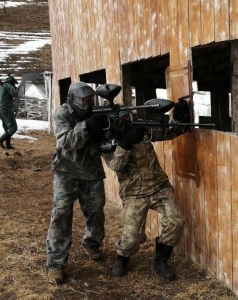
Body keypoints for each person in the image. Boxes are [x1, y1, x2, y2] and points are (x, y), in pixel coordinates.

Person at [102, 100, 190, 281]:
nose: (126, 120)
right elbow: (115, 165)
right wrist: (125, 143)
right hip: (134, 192)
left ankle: (161, 260)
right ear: (112, 120)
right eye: (121, 118)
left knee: (176, 222)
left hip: (159, 186)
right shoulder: (107, 139)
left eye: (128, 116)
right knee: (132, 236)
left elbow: (169, 131)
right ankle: (123, 258)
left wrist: (179, 118)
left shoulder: (141, 129)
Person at [46, 81, 108, 284]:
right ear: (72, 99)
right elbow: (65, 143)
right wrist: (87, 125)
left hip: (91, 170)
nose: (87, 104)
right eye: (83, 100)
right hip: (66, 172)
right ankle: (56, 263)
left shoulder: (96, 113)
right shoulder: (62, 113)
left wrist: (110, 127)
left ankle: (92, 243)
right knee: (61, 214)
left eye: (90, 100)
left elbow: (107, 141)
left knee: (96, 211)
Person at [0, 74, 19, 149]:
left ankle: (8, 145)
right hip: (7, 108)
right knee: (13, 127)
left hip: (1, 109)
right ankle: (0, 140)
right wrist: (16, 89)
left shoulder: (2, 85)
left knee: (7, 128)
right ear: (12, 82)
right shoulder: (8, 86)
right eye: (14, 83)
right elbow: (15, 94)